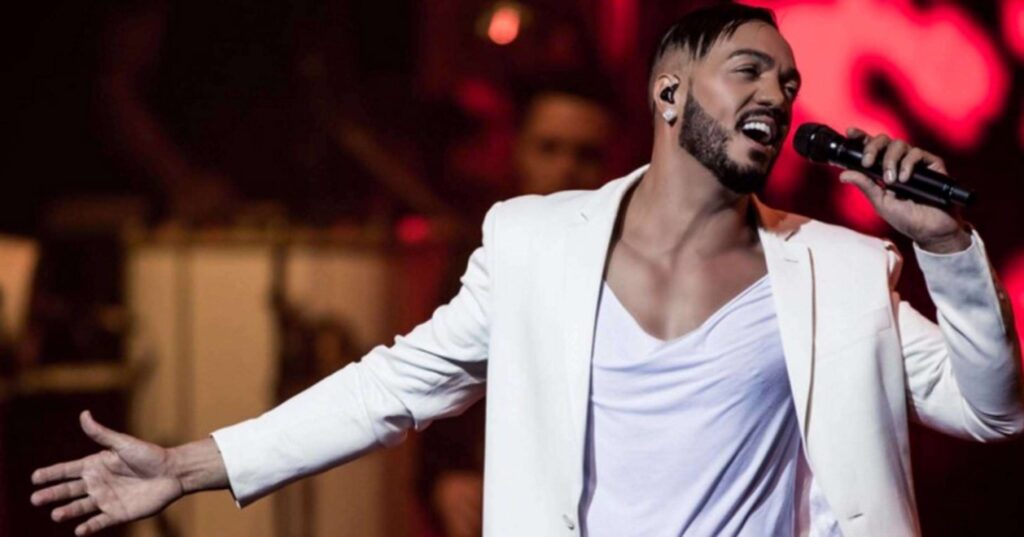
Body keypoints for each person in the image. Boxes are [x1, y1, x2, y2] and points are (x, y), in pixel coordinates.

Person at [30, 5, 1022, 536]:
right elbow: (392, 387)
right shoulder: (534, 242)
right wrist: (189, 466)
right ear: (669, 95)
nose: (779, 90)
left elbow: (992, 411)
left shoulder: (839, 268)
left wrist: (944, 249)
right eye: (749, 69)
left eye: (790, 80)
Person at [419, 78, 615, 537]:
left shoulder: (636, 257)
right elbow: (437, 368)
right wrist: (442, 476)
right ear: (518, 151)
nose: (566, 168)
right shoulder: (483, 252)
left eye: (585, 154)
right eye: (549, 148)